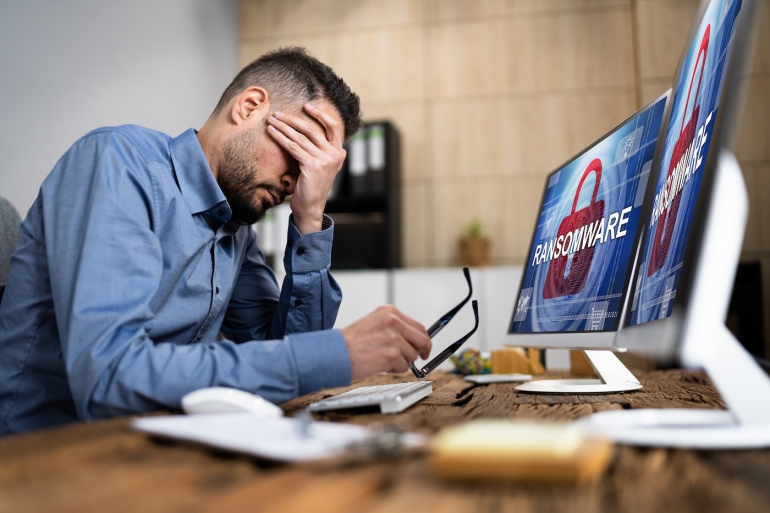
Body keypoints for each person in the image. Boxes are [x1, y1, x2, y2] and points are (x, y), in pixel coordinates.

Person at [0, 47, 431, 435]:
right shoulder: (117, 163)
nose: (301, 178)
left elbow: (281, 359)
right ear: (249, 107)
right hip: (46, 457)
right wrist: (335, 353)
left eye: (320, 168)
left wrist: (310, 216)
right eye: (301, 152)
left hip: (157, 448)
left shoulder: (236, 228)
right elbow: (110, 379)